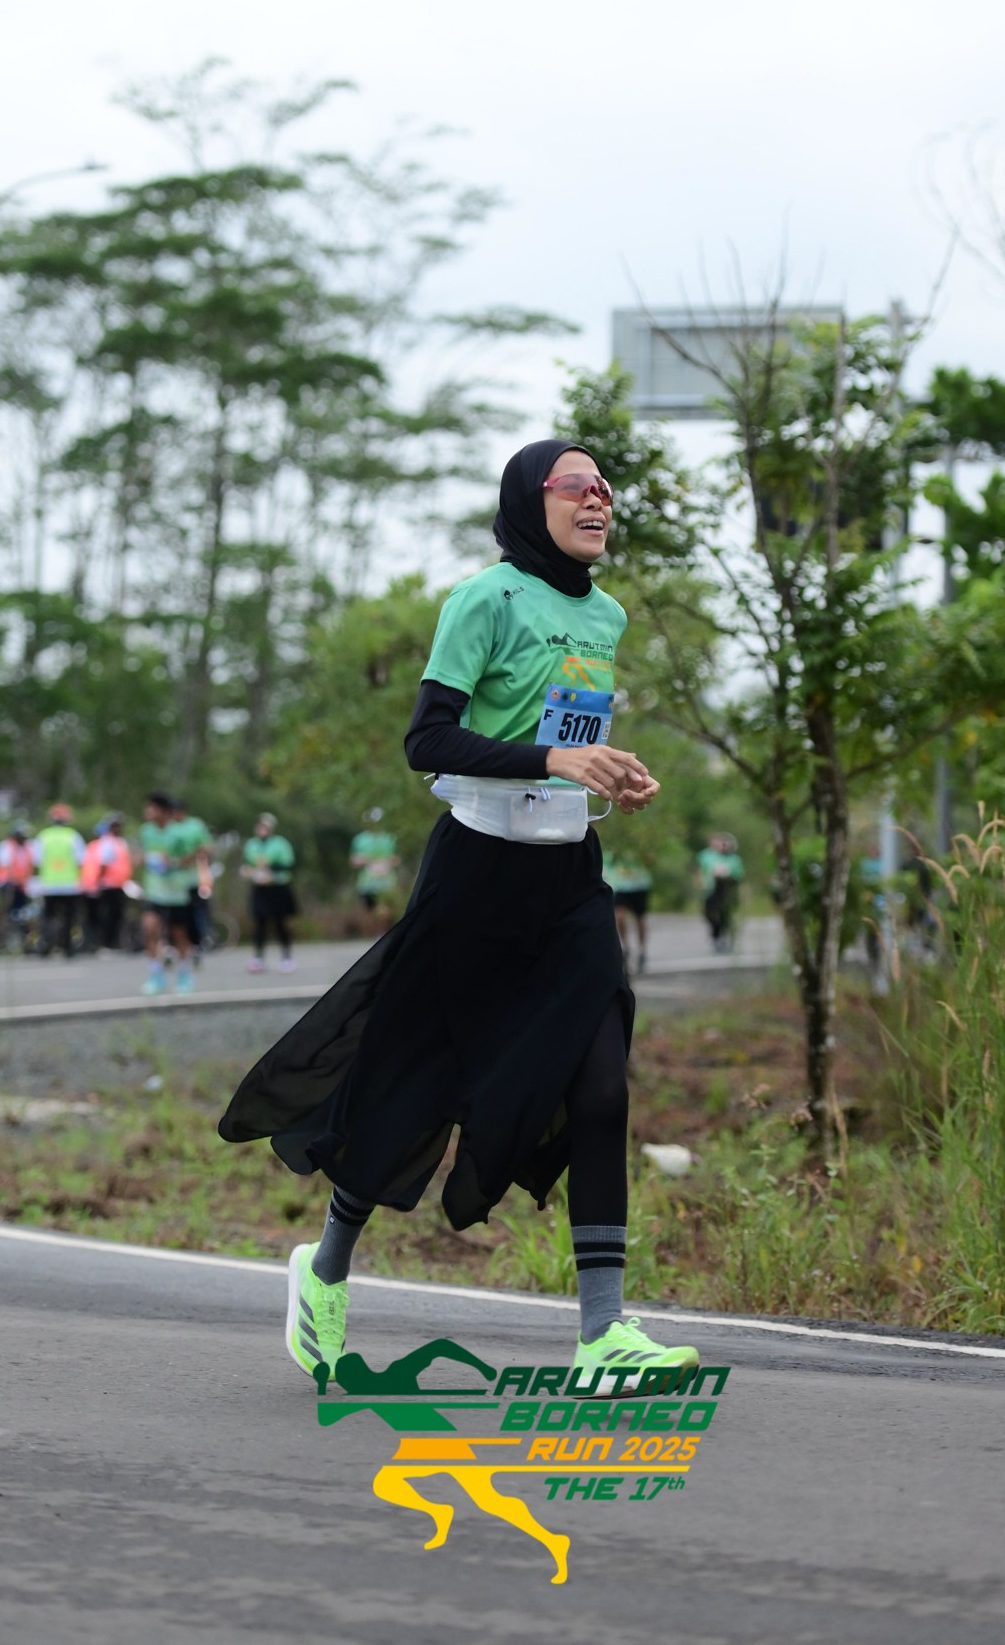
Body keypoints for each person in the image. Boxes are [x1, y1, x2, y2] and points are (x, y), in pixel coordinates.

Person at [220, 439, 699, 1389]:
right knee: (412, 1089)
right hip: (476, 879)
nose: (598, 499)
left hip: (570, 880)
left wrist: (605, 770)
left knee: (602, 1085)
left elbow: (563, 733)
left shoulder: (605, 614)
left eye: (606, 488)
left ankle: (602, 1335)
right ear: (529, 501)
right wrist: (554, 760)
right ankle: (324, 1271)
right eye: (576, 485)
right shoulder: (484, 600)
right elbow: (429, 738)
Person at [138, 792, 194, 996]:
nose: (147, 811)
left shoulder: (178, 833)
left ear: (162, 811)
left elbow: (191, 856)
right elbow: (145, 853)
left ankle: (184, 975)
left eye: (151, 807)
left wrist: (172, 862)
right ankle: (156, 976)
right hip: (154, 891)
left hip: (176, 893)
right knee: (149, 928)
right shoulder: (146, 831)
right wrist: (143, 859)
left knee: (178, 934)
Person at [241, 813, 297, 973]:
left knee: (280, 923)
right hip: (260, 887)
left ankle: (287, 957)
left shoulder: (280, 844)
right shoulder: (252, 844)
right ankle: (258, 958)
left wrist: (269, 867)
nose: (262, 829)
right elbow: (248, 864)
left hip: (277, 887)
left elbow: (288, 864)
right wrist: (248, 870)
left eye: (265, 826)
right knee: (259, 923)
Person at [33, 804, 86, 958]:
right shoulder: (73, 836)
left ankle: (46, 944)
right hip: (70, 885)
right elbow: (81, 860)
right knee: (68, 917)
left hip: (49, 885)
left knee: (48, 916)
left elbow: (37, 860)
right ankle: (67, 947)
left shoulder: (43, 837)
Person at [170, 795, 213, 969]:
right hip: (172, 881)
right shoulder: (168, 827)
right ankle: (172, 947)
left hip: (192, 879)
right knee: (173, 916)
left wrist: (192, 855)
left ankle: (196, 945)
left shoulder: (195, 826)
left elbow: (206, 847)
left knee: (193, 914)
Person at [81, 814, 133, 953]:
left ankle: (112, 942)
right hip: (107, 885)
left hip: (118, 884)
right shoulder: (107, 842)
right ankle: (105, 943)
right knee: (107, 915)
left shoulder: (120, 842)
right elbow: (103, 864)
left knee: (116, 915)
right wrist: (98, 882)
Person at [603, 844, 652, 976]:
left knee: (640, 919)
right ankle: (625, 947)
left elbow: (650, 860)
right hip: (620, 886)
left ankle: (641, 950)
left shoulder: (640, 842)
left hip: (639, 885)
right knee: (619, 916)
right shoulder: (614, 843)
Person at [349, 809, 399, 927]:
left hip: (387, 881)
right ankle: (375, 934)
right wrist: (365, 860)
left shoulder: (390, 837)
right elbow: (353, 861)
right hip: (367, 883)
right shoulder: (360, 839)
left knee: (385, 910)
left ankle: (384, 932)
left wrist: (387, 862)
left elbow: (396, 858)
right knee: (370, 910)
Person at [697, 831, 743, 951]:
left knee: (724, 915)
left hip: (726, 891)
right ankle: (716, 934)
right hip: (711, 890)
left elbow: (739, 875)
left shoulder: (734, 859)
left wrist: (727, 875)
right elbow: (701, 870)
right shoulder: (707, 856)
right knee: (710, 914)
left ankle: (723, 937)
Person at [0, 821, 34, 930]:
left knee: (23, 909)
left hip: (22, 885)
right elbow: (7, 867)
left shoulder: (28, 847)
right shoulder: (6, 846)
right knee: (12, 908)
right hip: (7, 883)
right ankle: (11, 928)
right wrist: (17, 880)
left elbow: (30, 865)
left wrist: (25, 881)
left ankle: (23, 929)